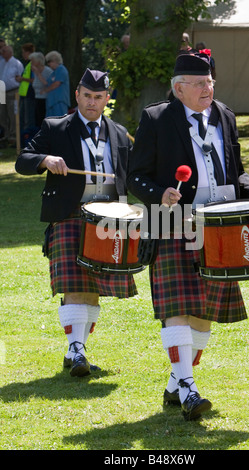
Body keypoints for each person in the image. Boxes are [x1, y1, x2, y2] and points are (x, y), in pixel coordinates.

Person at [127, 52, 249, 421]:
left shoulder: (224, 114)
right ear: (179, 89)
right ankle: (190, 388)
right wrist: (159, 192)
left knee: (204, 310)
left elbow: (235, 169)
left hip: (217, 223)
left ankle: (177, 381)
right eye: (200, 83)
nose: (208, 88)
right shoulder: (156, 118)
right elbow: (135, 176)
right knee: (178, 307)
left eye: (210, 82)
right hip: (171, 221)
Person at [15, 68, 137, 377]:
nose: (92, 103)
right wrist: (45, 160)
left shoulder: (120, 134)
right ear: (77, 95)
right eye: (87, 96)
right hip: (71, 214)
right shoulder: (55, 128)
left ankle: (76, 350)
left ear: (107, 99)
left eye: (98, 97)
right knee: (74, 284)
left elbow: (135, 174)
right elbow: (22, 160)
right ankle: (77, 350)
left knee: (93, 287)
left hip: (110, 219)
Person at [0, 45, 24, 146]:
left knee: (12, 113)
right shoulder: (1, 62)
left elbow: (20, 77)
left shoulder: (16, 63)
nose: (2, 53)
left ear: (10, 52)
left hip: (13, 91)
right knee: (2, 114)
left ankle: (13, 136)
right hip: (1, 91)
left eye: (4, 51)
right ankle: (5, 134)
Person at [15, 43, 36, 145]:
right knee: (22, 119)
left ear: (29, 52)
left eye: (24, 52)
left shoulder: (33, 64)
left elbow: (34, 80)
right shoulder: (27, 64)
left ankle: (28, 141)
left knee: (28, 120)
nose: (23, 54)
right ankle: (22, 140)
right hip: (24, 95)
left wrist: (22, 78)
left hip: (29, 95)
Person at [41, 50, 70, 117]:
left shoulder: (61, 69)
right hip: (51, 102)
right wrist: (38, 73)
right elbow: (46, 83)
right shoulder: (54, 72)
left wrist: (45, 90)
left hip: (59, 101)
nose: (48, 64)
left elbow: (56, 84)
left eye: (49, 61)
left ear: (54, 60)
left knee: (60, 122)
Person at [29, 52, 52, 127]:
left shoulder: (47, 71)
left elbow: (47, 83)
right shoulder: (35, 71)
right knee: (36, 119)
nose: (31, 63)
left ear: (38, 62)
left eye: (32, 61)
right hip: (36, 97)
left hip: (44, 99)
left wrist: (38, 73)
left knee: (42, 118)